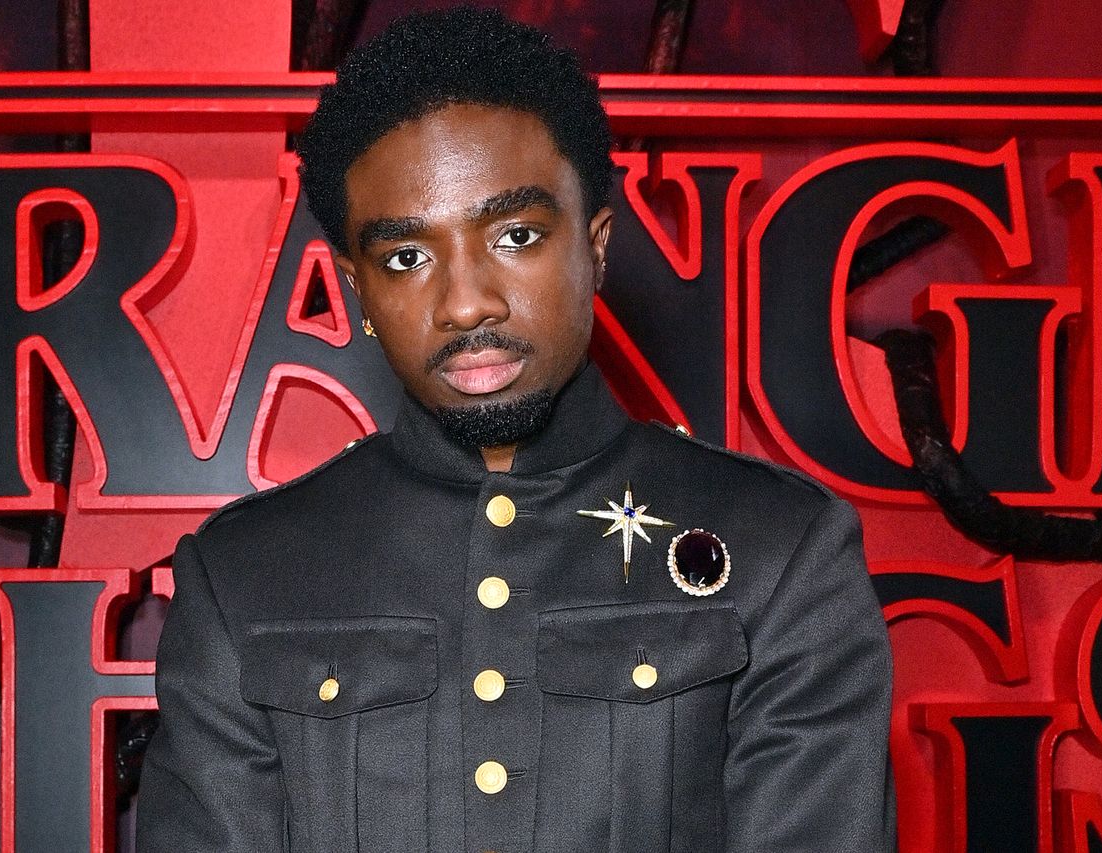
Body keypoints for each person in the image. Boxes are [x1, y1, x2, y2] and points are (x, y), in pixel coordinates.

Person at [135, 7, 895, 851]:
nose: (466, 302)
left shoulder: (781, 550)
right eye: (406, 257)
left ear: (596, 246)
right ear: (357, 290)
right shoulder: (243, 575)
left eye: (516, 235)